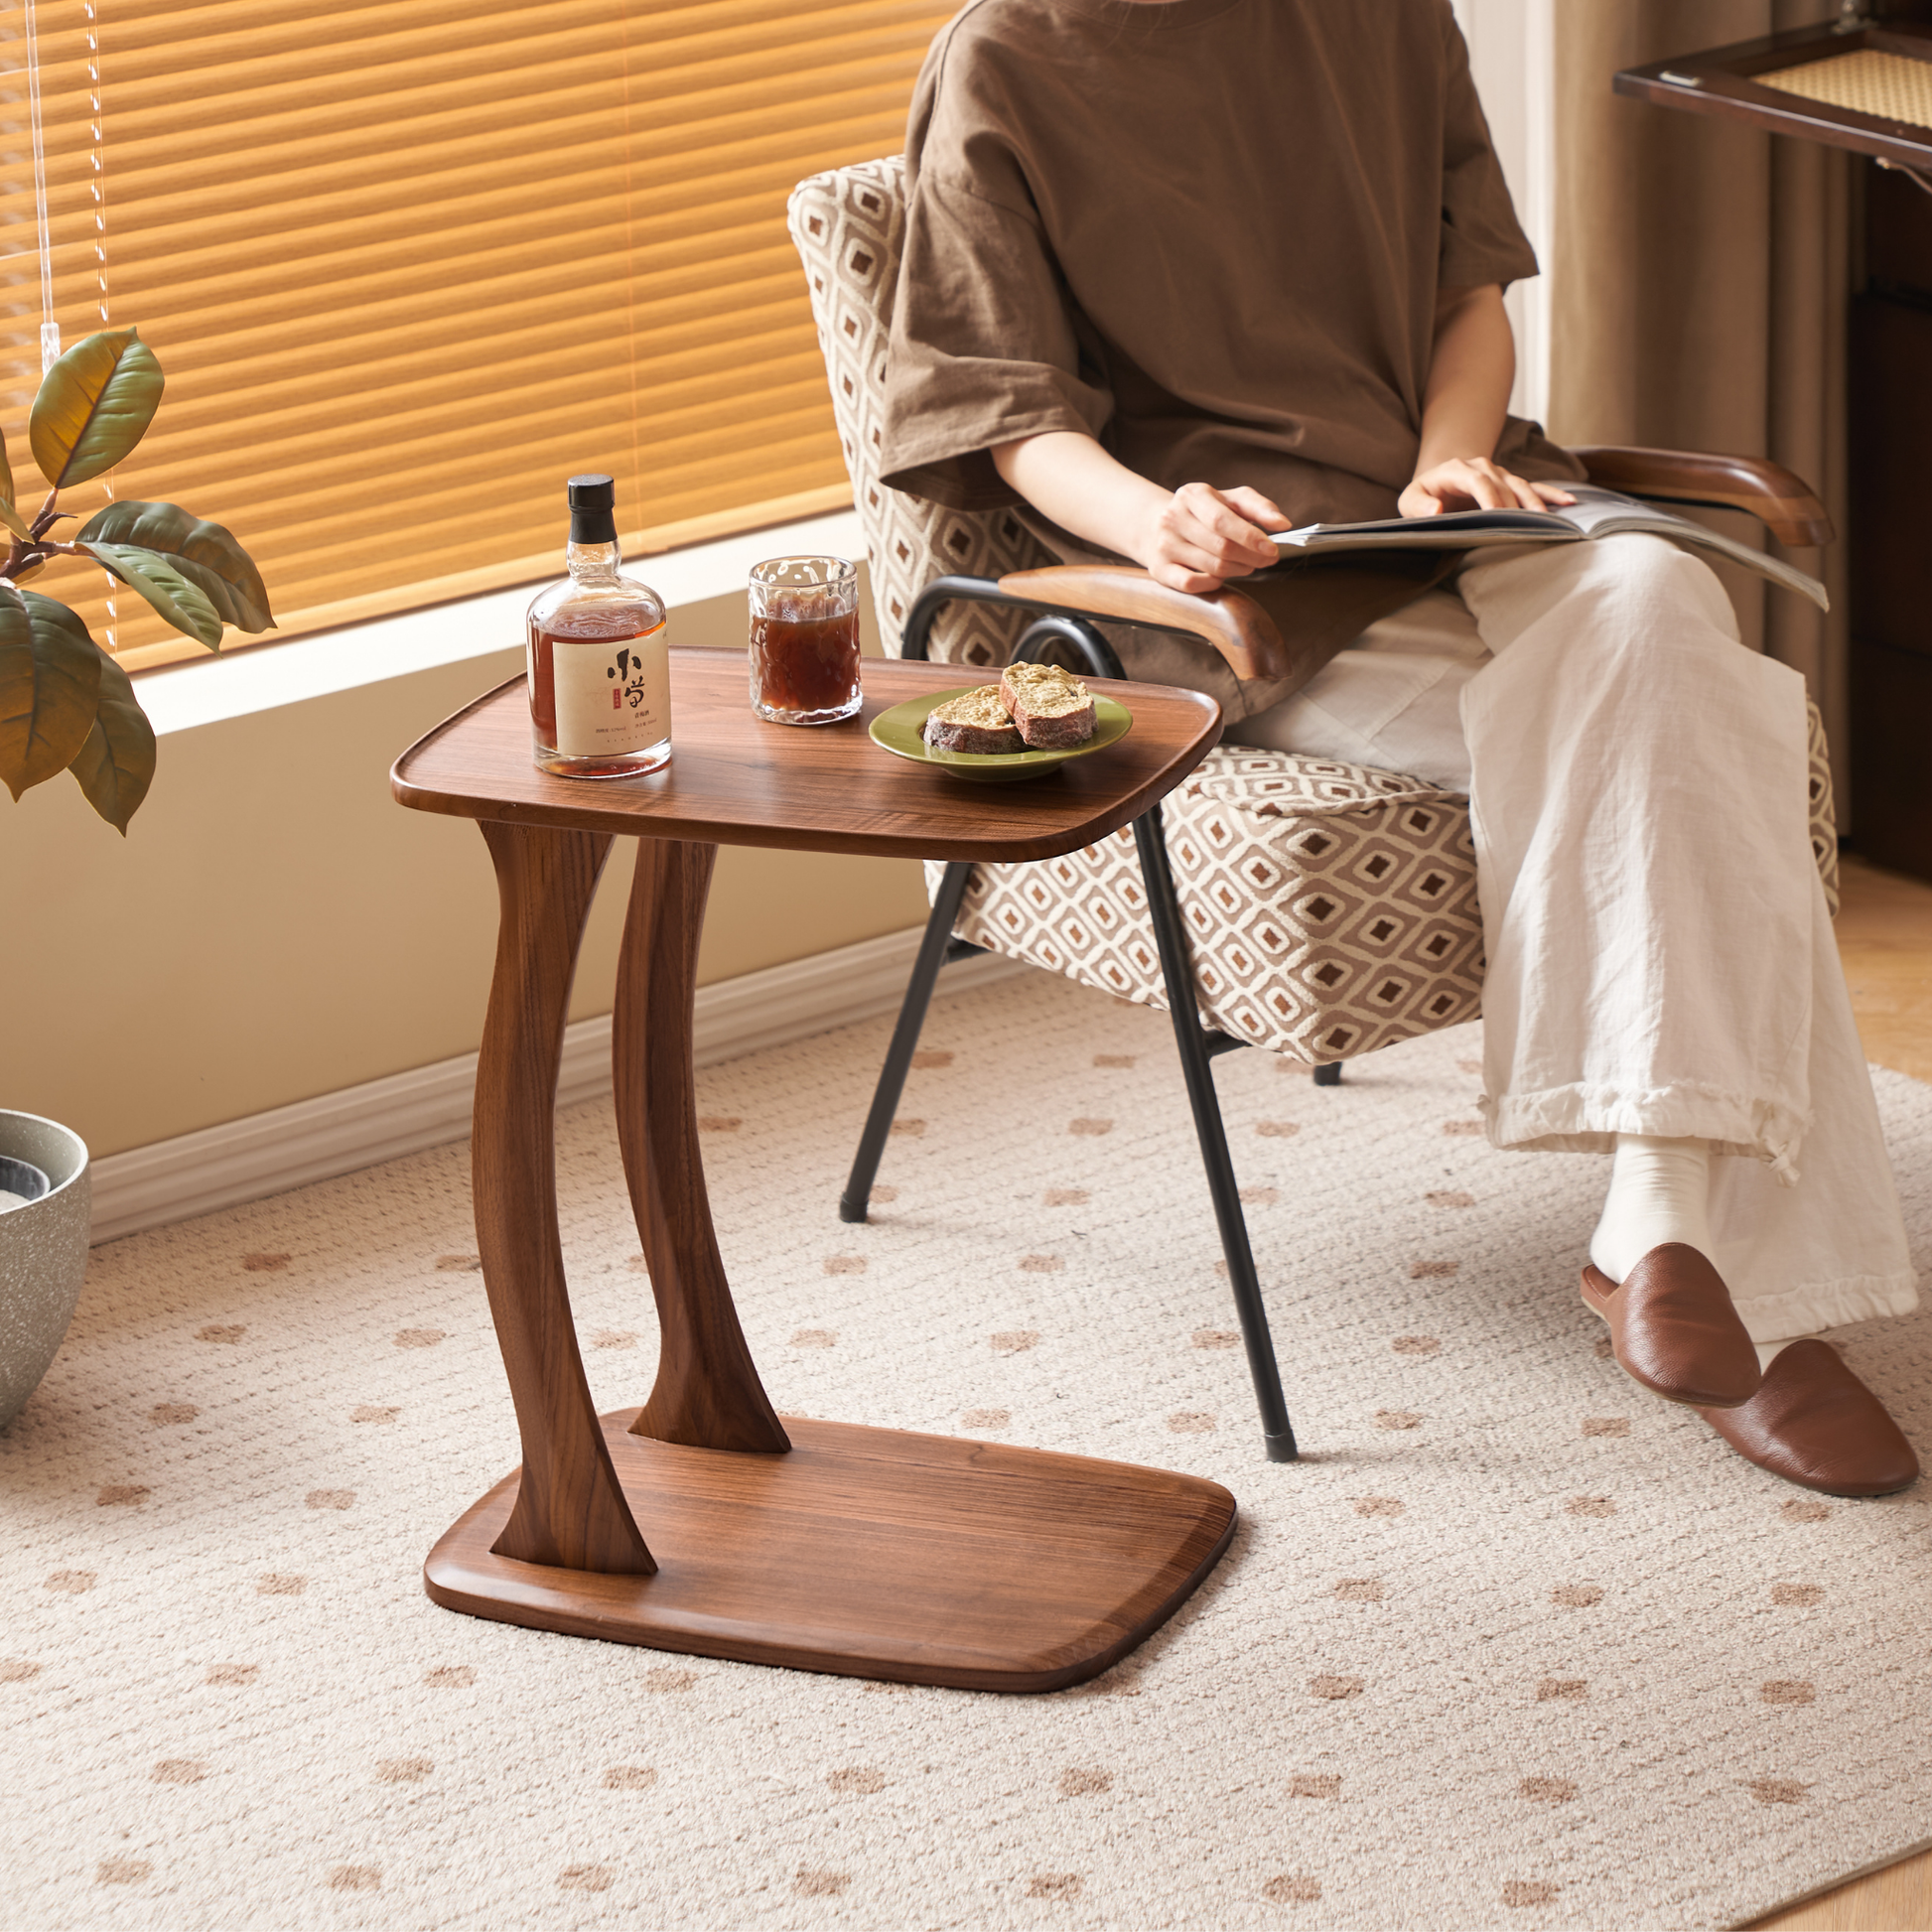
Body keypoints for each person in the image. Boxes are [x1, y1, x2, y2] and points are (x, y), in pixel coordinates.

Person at [877, 0, 1920, 1495]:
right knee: (1697, 737)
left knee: (1658, 597)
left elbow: (1465, 295)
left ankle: (1654, 1224)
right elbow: (1010, 420)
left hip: (1458, 511)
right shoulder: (1003, 62)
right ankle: (1699, 1255)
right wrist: (1160, 525)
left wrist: (1448, 458)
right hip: (1254, 598)